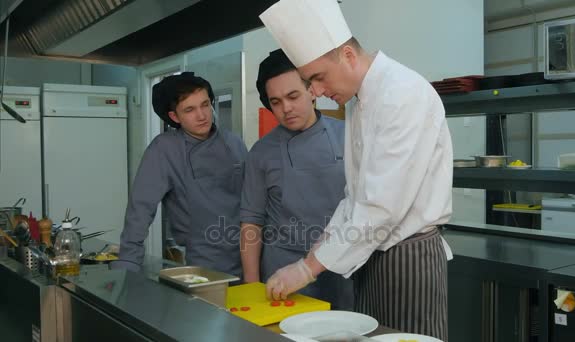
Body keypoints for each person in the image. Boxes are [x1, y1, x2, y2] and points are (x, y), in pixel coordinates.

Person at [259, 0, 454, 339]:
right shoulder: (359, 101)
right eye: (310, 81)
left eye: (318, 78)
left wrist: (307, 269)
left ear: (348, 55)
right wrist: (312, 257)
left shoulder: (401, 93)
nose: (317, 92)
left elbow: (380, 208)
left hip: (408, 257)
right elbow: (354, 199)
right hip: (373, 256)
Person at [240, 49, 353, 309]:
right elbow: (251, 224)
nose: (286, 109)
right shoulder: (261, 153)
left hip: (343, 269)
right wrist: (251, 286)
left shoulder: (348, 137)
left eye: (292, 96)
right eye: (275, 102)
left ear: (312, 90)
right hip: (284, 277)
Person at [114, 72, 246, 278]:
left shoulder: (233, 142)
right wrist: (127, 266)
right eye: (190, 110)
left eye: (205, 105)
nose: (202, 115)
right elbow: (140, 208)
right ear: (175, 117)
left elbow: (253, 199)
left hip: (250, 252)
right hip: (203, 260)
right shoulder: (164, 149)